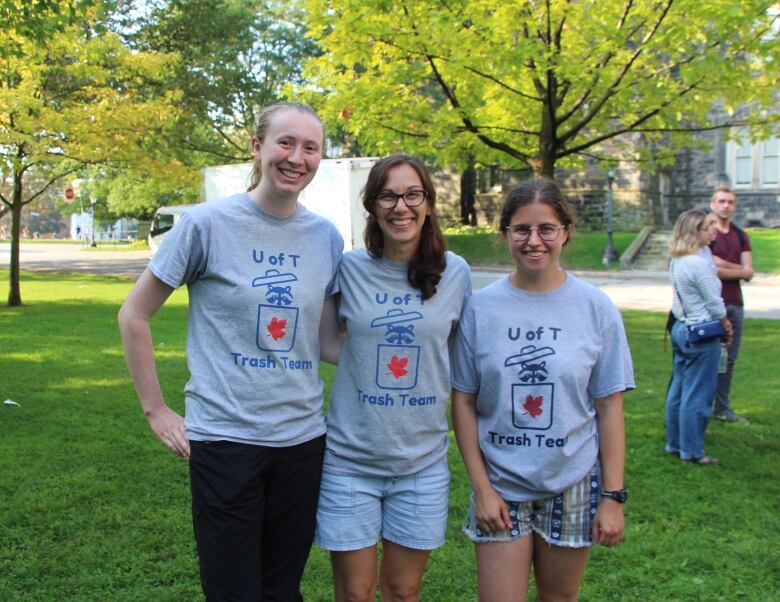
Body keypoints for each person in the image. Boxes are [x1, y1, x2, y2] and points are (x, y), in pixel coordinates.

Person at [118, 101, 343, 601]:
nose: (297, 157)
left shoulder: (325, 237)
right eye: (286, 142)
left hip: (302, 442)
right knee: (233, 592)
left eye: (311, 147)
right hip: (225, 440)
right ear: (257, 147)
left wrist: (419, 347)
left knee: (282, 590)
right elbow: (133, 315)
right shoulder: (205, 225)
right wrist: (155, 410)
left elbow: (327, 341)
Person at [450, 179, 634, 601]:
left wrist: (612, 497)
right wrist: (481, 489)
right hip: (500, 483)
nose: (534, 241)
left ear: (565, 232)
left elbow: (609, 407)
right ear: (506, 234)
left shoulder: (595, 307)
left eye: (546, 229)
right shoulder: (480, 307)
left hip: (571, 481)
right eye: (521, 230)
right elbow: (463, 400)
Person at [315, 155, 472, 602]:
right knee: (355, 592)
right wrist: (366, 361)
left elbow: (460, 361)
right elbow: (327, 343)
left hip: (420, 464)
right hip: (349, 461)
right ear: (372, 205)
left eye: (412, 194)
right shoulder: (349, 268)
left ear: (428, 203)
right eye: (387, 195)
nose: (400, 206)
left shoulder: (455, 274)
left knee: (403, 591)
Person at [665, 209, 732, 466]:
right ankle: (692, 451)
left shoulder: (677, 260)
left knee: (679, 389)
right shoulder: (697, 263)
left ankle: (675, 443)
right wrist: (726, 325)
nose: (713, 230)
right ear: (695, 232)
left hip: (682, 328)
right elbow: (714, 303)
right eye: (707, 227)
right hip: (701, 331)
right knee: (698, 395)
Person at [709, 187, 753, 423]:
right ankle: (703, 405)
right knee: (707, 356)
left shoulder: (740, 235)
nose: (726, 206)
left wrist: (724, 265)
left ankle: (722, 408)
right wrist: (738, 269)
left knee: (730, 358)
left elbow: (750, 272)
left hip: (735, 303)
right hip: (711, 305)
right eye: (722, 201)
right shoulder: (707, 234)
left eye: (730, 202)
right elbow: (710, 271)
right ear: (713, 204)